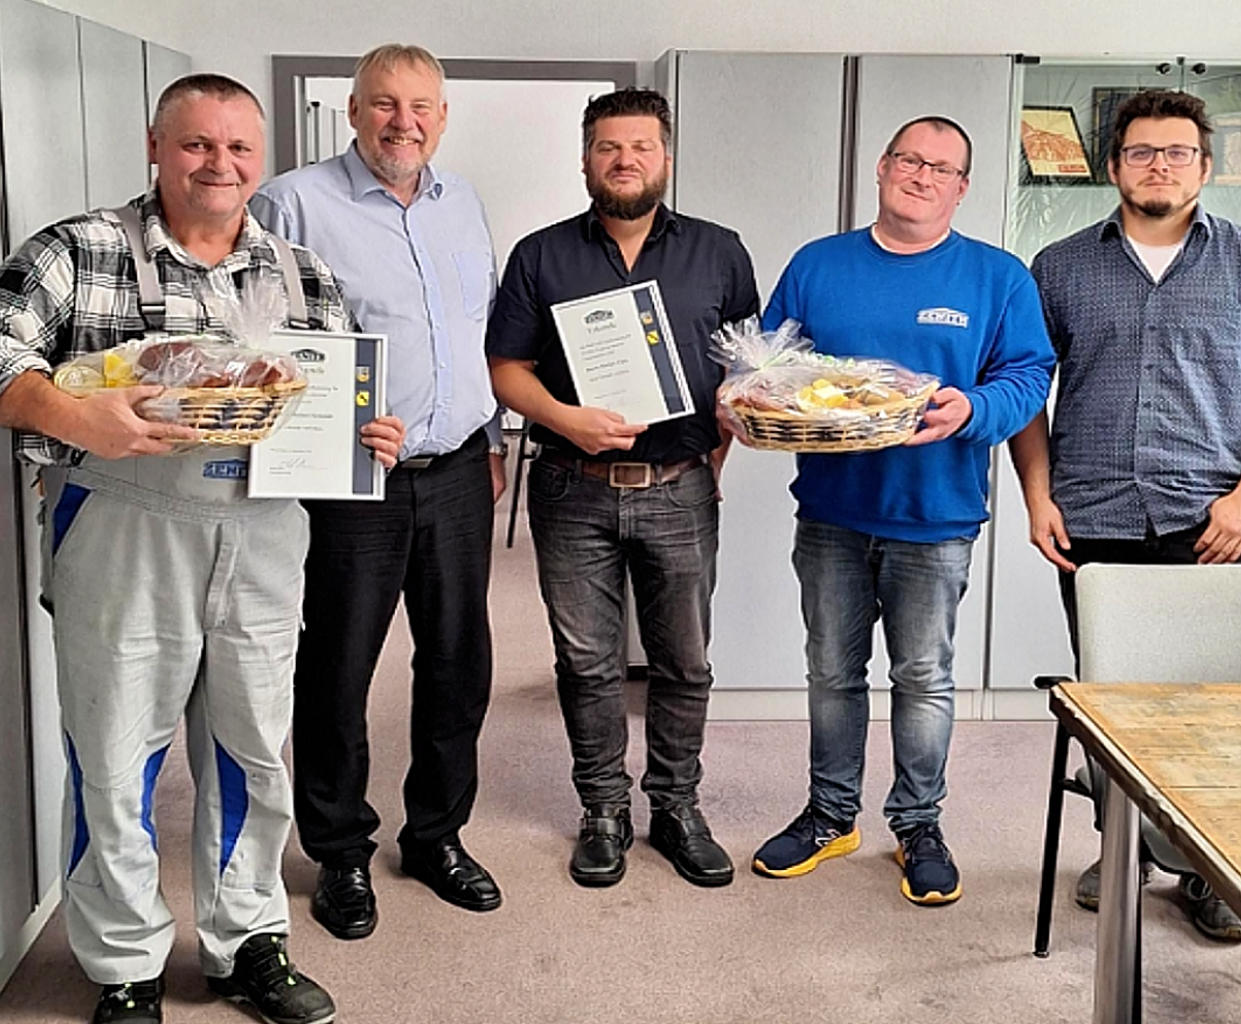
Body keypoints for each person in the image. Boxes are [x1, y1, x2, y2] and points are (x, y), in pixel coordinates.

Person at [0, 74, 402, 1024]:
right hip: (121, 528)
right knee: (114, 753)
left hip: (263, 533)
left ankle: (246, 940)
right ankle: (125, 963)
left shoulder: (300, 273)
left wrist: (365, 437)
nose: (219, 164)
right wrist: (70, 413)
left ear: (259, 160)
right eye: (196, 144)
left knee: (251, 750)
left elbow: (329, 398)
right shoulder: (77, 250)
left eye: (237, 148)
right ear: (155, 146)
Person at [751, 116, 1054, 905]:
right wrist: (751, 394)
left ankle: (918, 824)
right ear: (882, 168)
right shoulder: (818, 264)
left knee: (922, 679)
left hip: (935, 516)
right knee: (831, 673)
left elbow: (1027, 379)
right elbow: (771, 364)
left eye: (940, 168)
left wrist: (973, 408)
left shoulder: (997, 277)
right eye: (909, 160)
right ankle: (830, 816)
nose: (922, 176)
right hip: (831, 513)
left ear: (961, 187)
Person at [251, 43, 506, 938]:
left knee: (457, 662)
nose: (405, 122)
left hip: (459, 471)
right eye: (386, 104)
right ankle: (340, 853)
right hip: (351, 482)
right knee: (337, 667)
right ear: (354, 110)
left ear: (443, 117)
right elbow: (258, 346)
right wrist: (332, 430)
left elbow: (472, 332)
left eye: (421, 106)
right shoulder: (291, 203)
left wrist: (491, 438)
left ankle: (436, 836)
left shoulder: (461, 201)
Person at [486, 87, 759, 889]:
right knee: (586, 664)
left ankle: (675, 806)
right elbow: (506, 368)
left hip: (679, 486)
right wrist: (563, 420)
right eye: (608, 147)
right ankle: (602, 809)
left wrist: (713, 462)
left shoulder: (719, 251)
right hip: (571, 488)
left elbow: (746, 370)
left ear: (665, 159)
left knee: (685, 663)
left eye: (641, 146)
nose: (624, 160)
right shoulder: (540, 255)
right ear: (585, 160)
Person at [1010, 88, 1241, 941]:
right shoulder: (1060, 266)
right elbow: (1025, 390)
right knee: (1110, 701)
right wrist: (1036, 497)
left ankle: (1209, 864)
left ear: (1203, 168)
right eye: (1141, 151)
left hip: (1212, 522)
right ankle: (1124, 847)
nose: (1158, 166)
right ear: (1112, 166)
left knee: (1211, 703)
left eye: (1176, 152)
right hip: (1094, 518)